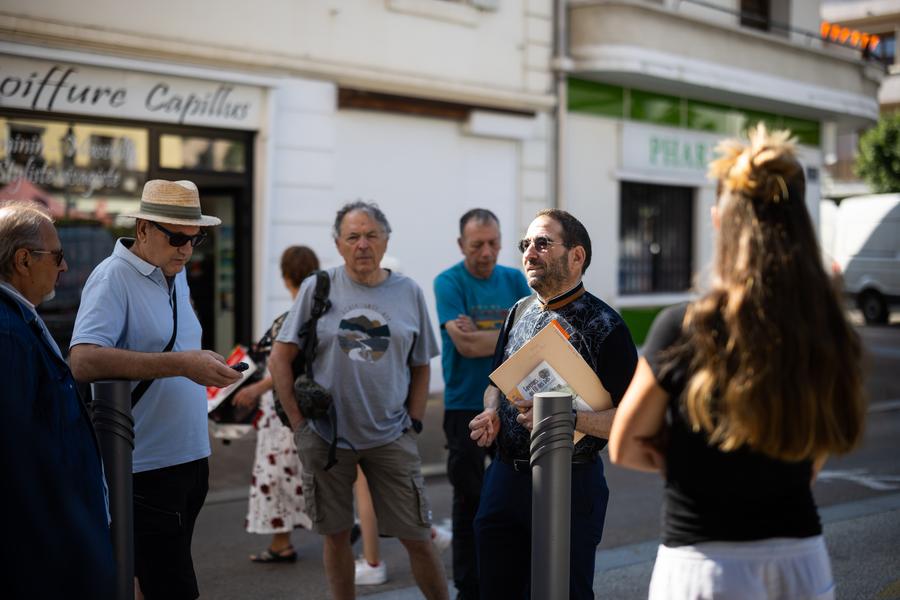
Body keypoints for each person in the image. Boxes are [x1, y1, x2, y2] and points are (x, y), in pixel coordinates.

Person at [608, 125, 866, 600]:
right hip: (800, 561)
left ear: (719, 220)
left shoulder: (683, 327)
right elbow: (818, 450)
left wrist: (687, 460)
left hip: (703, 566)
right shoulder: (828, 329)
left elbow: (625, 446)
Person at [70, 179, 242, 600]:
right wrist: (182, 364)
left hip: (189, 456)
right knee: (174, 588)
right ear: (144, 228)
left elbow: (176, 346)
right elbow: (83, 359)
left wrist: (204, 362)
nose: (187, 248)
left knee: (153, 581)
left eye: (195, 238)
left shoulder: (173, 271)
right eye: (177, 237)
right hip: (146, 465)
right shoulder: (113, 276)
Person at [269, 200, 449, 600]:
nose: (362, 245)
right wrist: (300, 427)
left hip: (390, 437)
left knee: (418, 537)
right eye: (353, 237)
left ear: (386, 240)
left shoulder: (408, 292)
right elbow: (279, 358)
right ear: (338, 244)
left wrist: (414, 422)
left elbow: (421, 365)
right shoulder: (319, 287)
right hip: (327, 438)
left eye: (371, 235)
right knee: (336, 539)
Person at [468, 208, 638, 600]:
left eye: (542, 243)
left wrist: (565, 419)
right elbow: (496, 381)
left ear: (576, 256)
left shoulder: (607, 326)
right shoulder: (519, 311)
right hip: (505, 479)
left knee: (563, 592)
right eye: (526, 244)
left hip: (571, 484)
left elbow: (630, 420)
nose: (530, 252)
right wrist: (492, 411)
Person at [0, 202, 115, 599]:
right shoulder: (7, 332)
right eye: (58, 256)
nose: (64, 268)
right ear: (23, 260)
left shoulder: (18, 319)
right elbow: (14, 461)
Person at [433, 208, 530, 600]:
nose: (487, 252)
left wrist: (493, 334)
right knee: (468, 497)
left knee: (514, 494)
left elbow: (535, 338)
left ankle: (511, 580)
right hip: (463, 404)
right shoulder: (448, 282)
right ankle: (469, 587)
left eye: (493, 243)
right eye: (477, 245)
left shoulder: (515, 279)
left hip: (510, 402)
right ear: (461, 245)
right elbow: (467, 345)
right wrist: (510, 334)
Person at [233, 245, 319, 562]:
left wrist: (256, 389)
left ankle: (284, 543)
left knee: (279, 476)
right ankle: (284, 542)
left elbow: (284, 367)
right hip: (311, 406)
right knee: (306, 473)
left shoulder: (291, 317)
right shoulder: (319, 314)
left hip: (285, 409)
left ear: (285, 278)